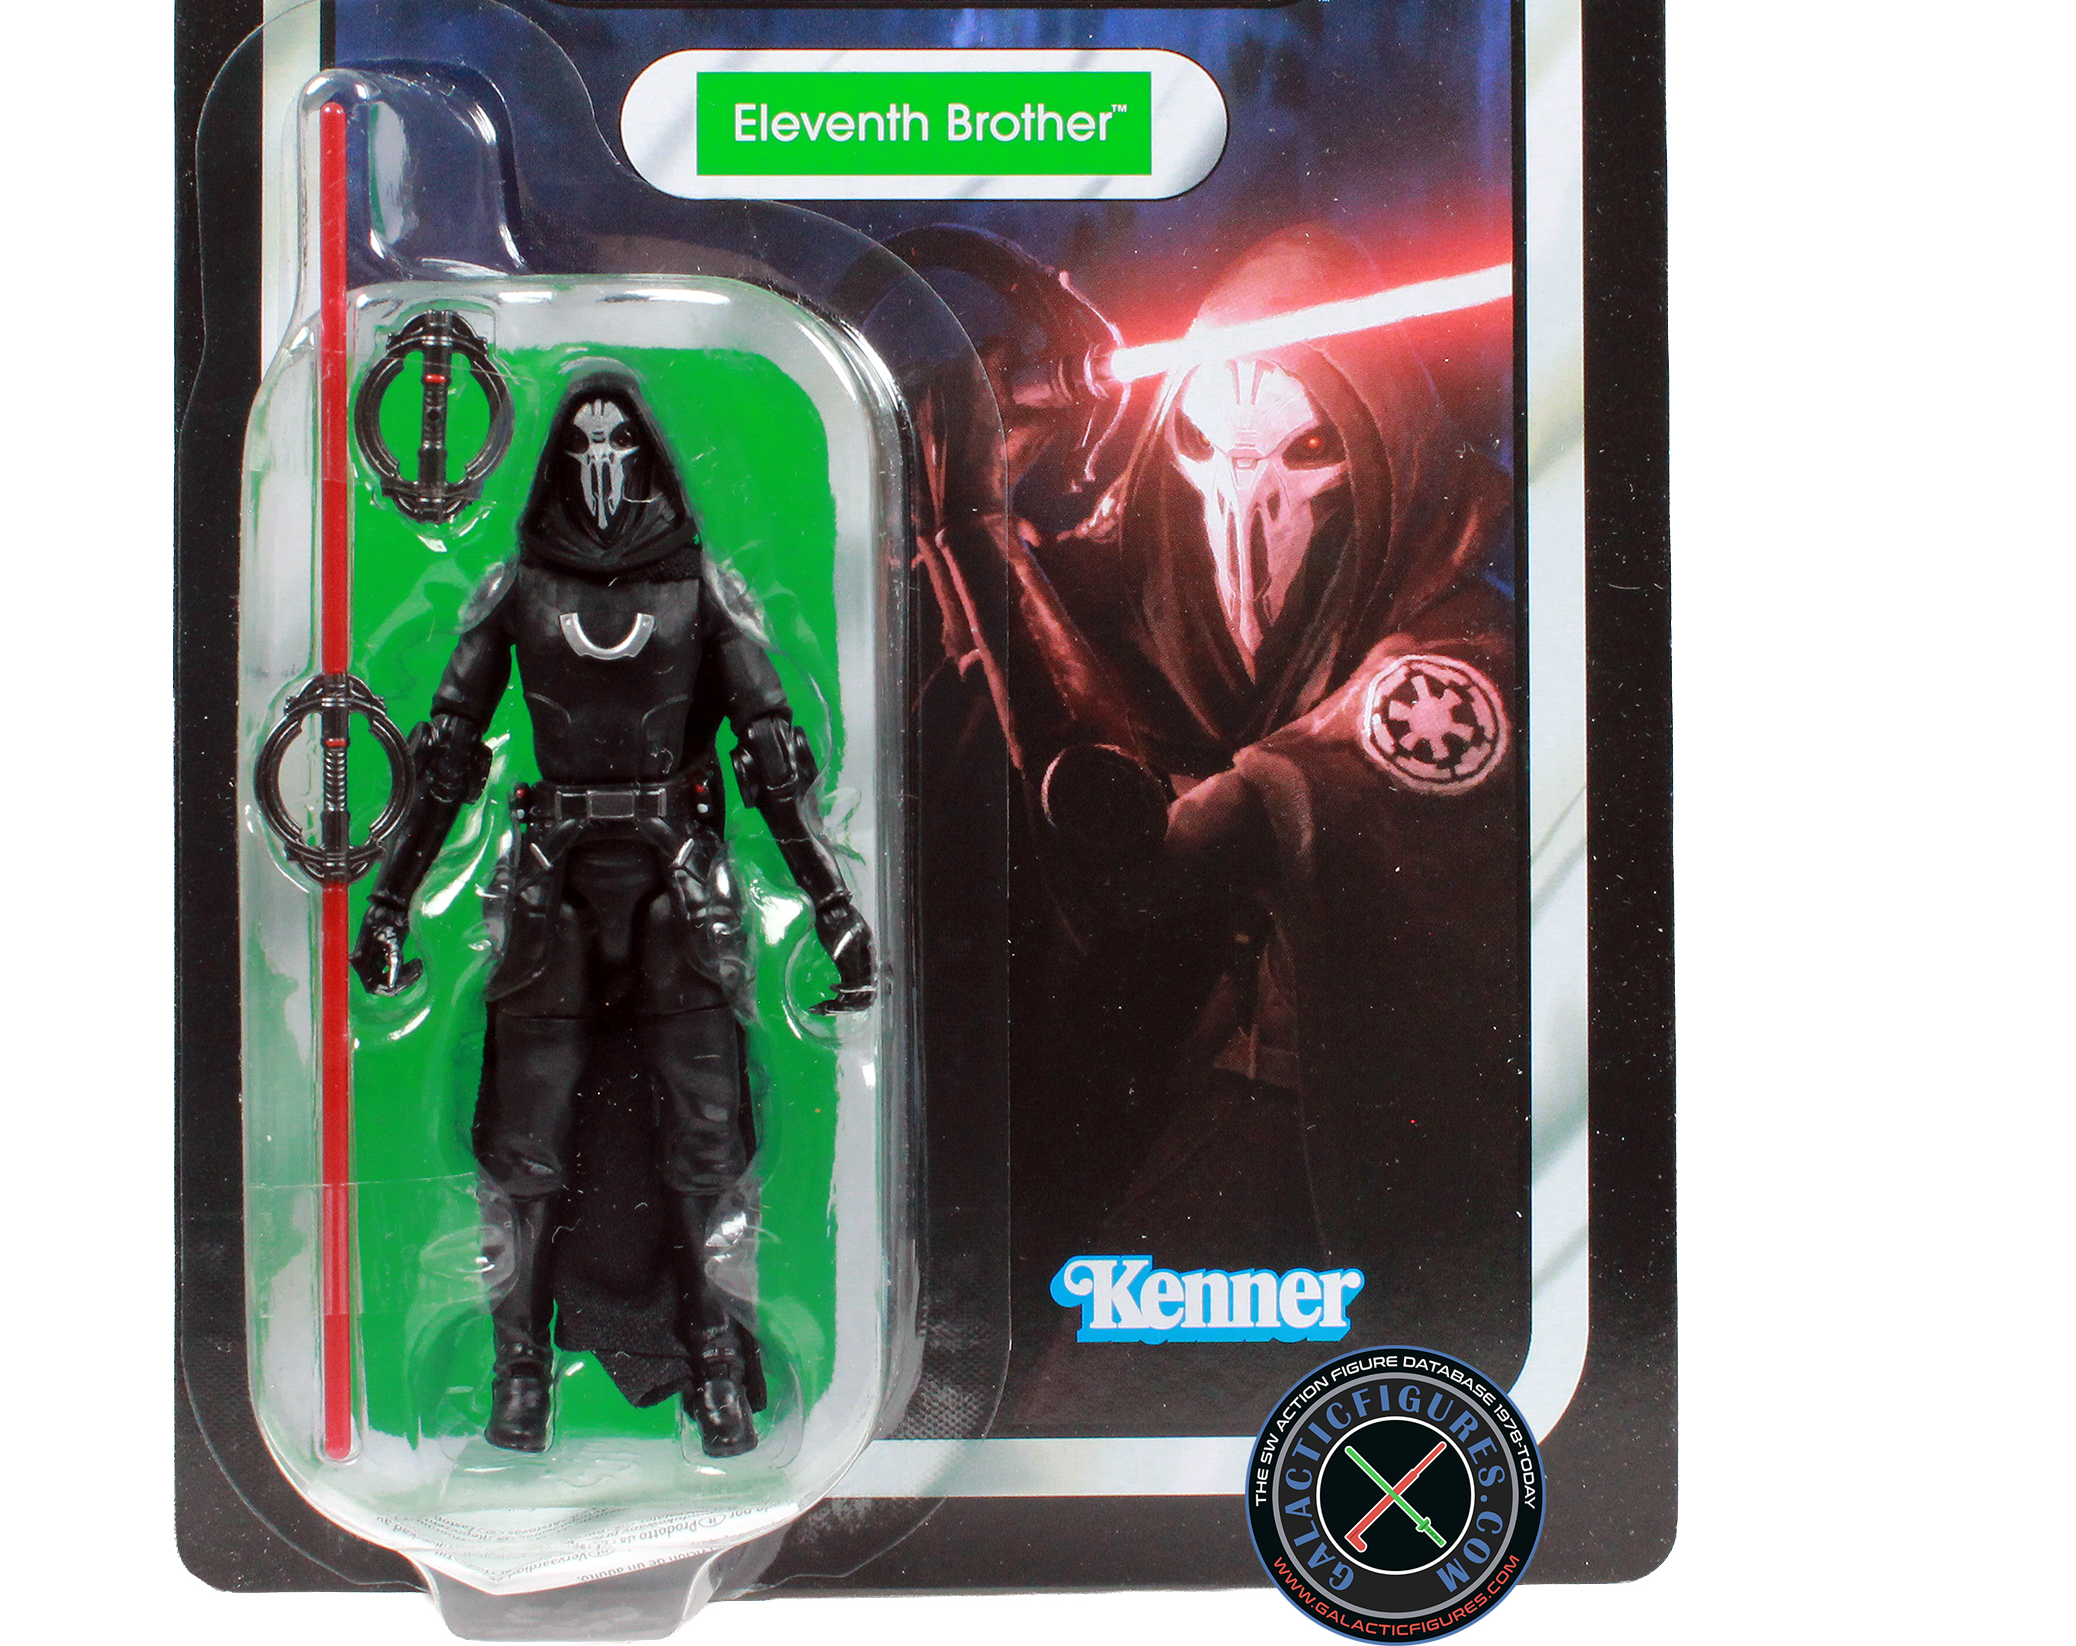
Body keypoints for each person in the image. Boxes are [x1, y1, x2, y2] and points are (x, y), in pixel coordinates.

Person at [911, 226, 1525, 1427]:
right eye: (1205, 454)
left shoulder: (1452, 673)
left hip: (1322, 1146)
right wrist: (969, 500)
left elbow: (1146, 863)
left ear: (1377, 451)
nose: (1244, 520)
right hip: (1111, 1097)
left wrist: (982, 534)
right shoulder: (1137, 580)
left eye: (1304, 454)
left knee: (1084, 1411)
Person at [350, 360, 874, 1455]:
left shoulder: (704, 591)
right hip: (553, 882)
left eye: (618, 445)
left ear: (648, 461)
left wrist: (829, 903)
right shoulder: (514, 592)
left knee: (704, 1135)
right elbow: (445, 762)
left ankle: (715, 1370)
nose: (600, 464)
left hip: (677, 878)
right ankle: (520, 1376)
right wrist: (391, 898)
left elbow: (774, 761)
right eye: (584, 444)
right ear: (556, 461)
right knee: (527, 1143)